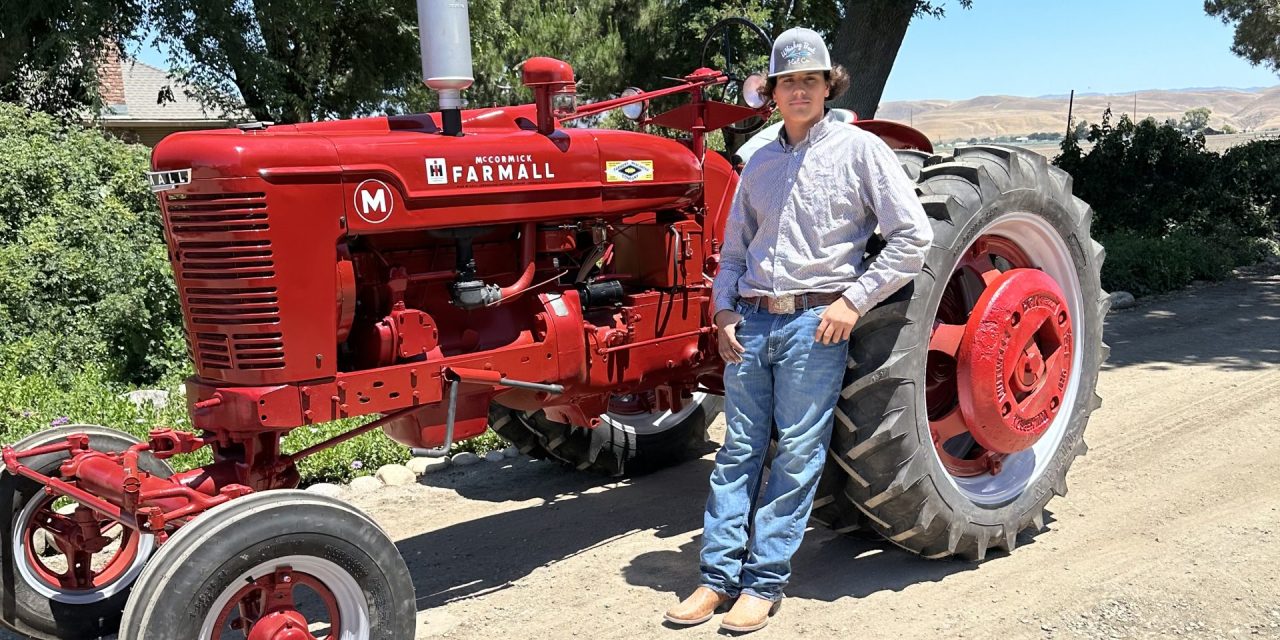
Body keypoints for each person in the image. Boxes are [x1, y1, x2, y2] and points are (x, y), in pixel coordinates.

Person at [663, 27, 934, 633]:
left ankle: (762, 584)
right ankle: (715, 578)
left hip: (817, 323)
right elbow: (732, 254)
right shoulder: (759, 161)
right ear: (775, 91)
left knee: (796, 454)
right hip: (752, 321)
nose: (799, 90)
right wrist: (724, 311)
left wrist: (853, 302)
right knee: (737, 451)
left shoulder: (860, 152)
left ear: (827, 85)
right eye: (788, 81)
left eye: (810, 80)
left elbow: (914, 238)